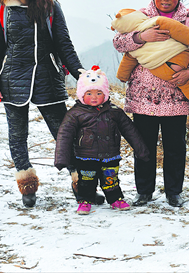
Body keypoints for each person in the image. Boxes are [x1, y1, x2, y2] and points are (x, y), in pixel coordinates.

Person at [0, 0, 86, 208]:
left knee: (63, 133)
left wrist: (80, 73)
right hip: (12, 79)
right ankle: (27, 186)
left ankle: (81, 184)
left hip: (47, 78)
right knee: (17, 136)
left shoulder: (49, 5)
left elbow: (64, 43)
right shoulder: (2, 9)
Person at [113, 0, 189, 207]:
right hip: (143, 95)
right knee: (143, 146)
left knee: (175, 146)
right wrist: (140, 37)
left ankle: (173, 192)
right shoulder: (139, 18)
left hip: (176, 94)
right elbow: (118, 43)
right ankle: (144, 191)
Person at [54, 66, 150, 215]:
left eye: (99, 93)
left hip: (110, 155)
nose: (94, 97)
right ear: (81, 94)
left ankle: (115, 199)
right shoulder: (75, 114)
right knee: (86, 180)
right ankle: (85, 200)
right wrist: (61, 158)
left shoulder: (114, 111)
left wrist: (141, 150)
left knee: (111, 179)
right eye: (89, 93)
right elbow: (64, 135)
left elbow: (130, 130)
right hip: (85, 156)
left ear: (105, 94)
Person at [110, 8, 189, 104]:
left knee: (183, 76)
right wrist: (140, 37)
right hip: (143, 100)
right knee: (179, 77)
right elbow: (118, 43)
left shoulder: (188, 20)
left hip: (175, 102)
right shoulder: (145, 17)